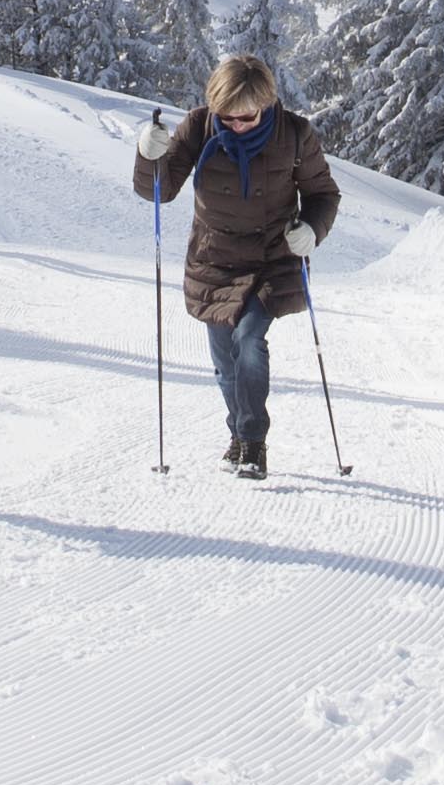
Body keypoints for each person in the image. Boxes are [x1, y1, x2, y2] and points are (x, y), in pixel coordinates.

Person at [132, 56, 337, 479]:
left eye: (246, 117)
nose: (237, 125)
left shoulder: (294, 134)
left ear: (266, 104)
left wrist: (311, 231)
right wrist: (148, 155)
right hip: (215, 262)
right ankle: (237, 434)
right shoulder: (199, 126)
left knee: (248, 341)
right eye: (228, 116)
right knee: (226, 364)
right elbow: (161, 190)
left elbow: (323, 194)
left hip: (272, 261)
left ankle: (253, 442)